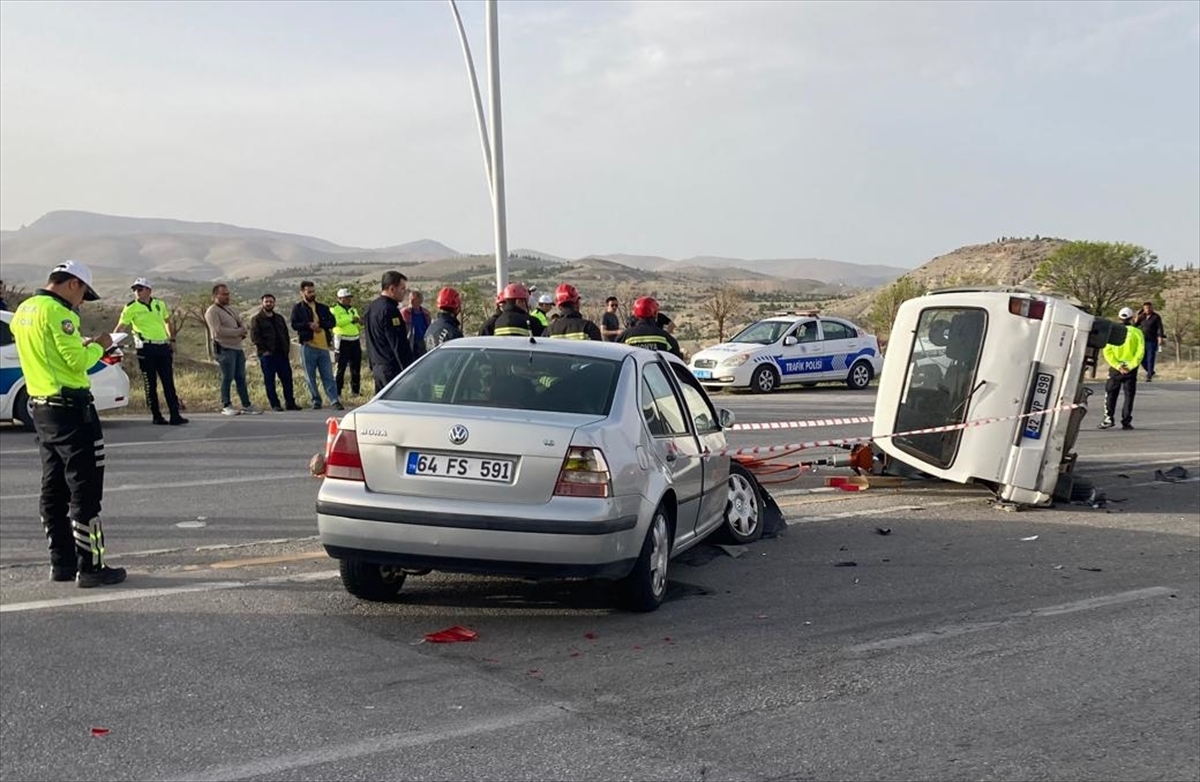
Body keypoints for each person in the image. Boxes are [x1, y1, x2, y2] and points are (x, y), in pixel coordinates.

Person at [10, 261, 126, 587]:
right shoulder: (60, 313)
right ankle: (91, 567)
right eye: (83, 296)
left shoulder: (24, 310)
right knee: (85, 491)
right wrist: (101, 347)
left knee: (53, 488)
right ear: (73, 284)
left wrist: (80, 346)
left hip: (42, 409)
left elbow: (49, 355)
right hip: (73, 410)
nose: (81, 304)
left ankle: (61, 563)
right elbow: (76, 363)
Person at [115, 277, 187, 425]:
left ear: (149, 290)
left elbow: (166, 321)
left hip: (162, 346)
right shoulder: (131, 307)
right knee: (150, 383)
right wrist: (112, 342)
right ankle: (156, 415)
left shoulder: (159, 304)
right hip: (146, 348)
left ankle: (175, 414)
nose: (137, 292)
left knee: (168, 382)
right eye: (135, 290)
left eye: (140, 289)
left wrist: (171, 339)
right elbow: (121, 326)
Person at [205, 283, 262, 416]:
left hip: (237, 348)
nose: (227, 296)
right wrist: (237, 332)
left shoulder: (230, 309)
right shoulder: (212, 311)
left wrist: (241, 331)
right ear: (215, 295)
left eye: (228, 294)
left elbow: (240, 324)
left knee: (241, 377)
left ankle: (246, 404)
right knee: (227, 377)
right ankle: (226, 405)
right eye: (224, 294)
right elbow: (217, 331)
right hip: (225, 348)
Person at [290, 281, 342, 411]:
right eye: (309, 292)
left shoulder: (323, 307)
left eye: (313, 291)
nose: (312, 294)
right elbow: (294, 324)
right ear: (302, 293)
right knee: (310, 376)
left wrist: (320, 325)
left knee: (328, 376)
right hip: (308, 346)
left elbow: (332, 322)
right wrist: (308, 325)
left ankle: (334, 400)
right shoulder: (298, 308)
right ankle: (316, 400)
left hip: (323, 346)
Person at [364, 270, 413, 393]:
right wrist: (409, 369)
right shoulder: (390, 310)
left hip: (377, 367)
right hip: (391, 369)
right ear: (392, 289)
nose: (404, 292)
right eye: (402, 289)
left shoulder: (371, 307)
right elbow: (398, 344)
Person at [250, 293, 301, 412]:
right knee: (270, 381)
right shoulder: (256, 319)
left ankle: (290, 403)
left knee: (287, 380)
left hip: (282, 355)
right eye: (266, 301)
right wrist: (265, 351)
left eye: (271, 301)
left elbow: (285, 334)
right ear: (262, 303)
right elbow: (255, 337)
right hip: (267, 355)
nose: (269, 303)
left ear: (274, 303)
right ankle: (275, 404)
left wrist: (286, 350)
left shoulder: (279, 318)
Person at [1099, 306, 1146, 431]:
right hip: (1131, 369)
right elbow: (1140, 352)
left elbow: (1107, 352)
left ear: (1119, 318)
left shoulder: (1113, 332)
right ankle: (1126, 421)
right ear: (1131, 318)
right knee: (1129, 396)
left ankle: (1108, 419)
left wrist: (1118, 365)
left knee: (1110, 394)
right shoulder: (1137, 332)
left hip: (1116, 369)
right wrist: (1130, 366)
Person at [617, 296, 684, 359]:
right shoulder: (665, 338)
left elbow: (615, 354)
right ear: (655, 313)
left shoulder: (625, 336)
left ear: (635, 314)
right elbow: (676, 360)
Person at [331, 288, 363, 398]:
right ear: (340, 299)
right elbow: (337, 322)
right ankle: (337, 392)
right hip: (342, 340)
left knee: (356, 367)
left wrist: (359, 323)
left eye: (350, 298)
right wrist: (351, 319)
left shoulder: (353, 309)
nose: (349, 300)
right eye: (346, 298)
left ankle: (355, 391)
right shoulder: (334, 309)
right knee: (340, 367)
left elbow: (357, 323)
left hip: (354, 339)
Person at [479, 283, 544, 337]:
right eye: (526, 302)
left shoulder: (496, 322)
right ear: (519, 301)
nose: (527, 305)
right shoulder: (532, 322)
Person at [1133, 301, 1166, 382]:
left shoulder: (1156, 316)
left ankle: (1149, 375)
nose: (1147, 309)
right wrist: (1136, 318)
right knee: (1141, 358)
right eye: (1146, 308)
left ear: (1152, 308)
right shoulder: (1142, 316)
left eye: (1149, 308)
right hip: (1142, 340)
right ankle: (1150, 371)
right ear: (1143, 309)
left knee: (1150, 357)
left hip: (1152, 340)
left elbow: (1160, 327)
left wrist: (1160, 337)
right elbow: (1134, 326)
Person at [401, 290, 433, 359]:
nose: (411, 301)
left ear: (420, 301)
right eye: (410, 299)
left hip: (423, 343)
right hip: (411, 343)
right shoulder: (405, 313)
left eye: (413, 299)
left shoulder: (425, 313)